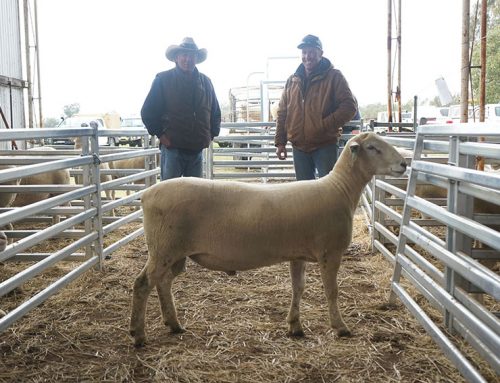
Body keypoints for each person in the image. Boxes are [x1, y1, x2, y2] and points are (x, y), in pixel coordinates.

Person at [274, 34, 357, 180]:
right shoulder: (292, 80)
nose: (308, 56)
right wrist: (280, 142)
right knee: (304, 193)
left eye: (312, 52)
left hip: (324, 145)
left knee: (329, 191)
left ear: (321, 53)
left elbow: (349, 106)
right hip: (299, 147)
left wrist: (324, 125)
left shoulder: (334, 77)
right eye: (304, 52)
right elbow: (282, 112)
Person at [141, 37, 221, 180]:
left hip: (196, 149)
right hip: (173, 147)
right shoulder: (163, 80)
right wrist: (160, 134)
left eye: (192, 55)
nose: (188, 59)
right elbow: (148, 111)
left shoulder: (206, 82)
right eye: (184, 55)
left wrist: (211, 135)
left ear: (196, 58)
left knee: (195, 196)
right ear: (176, 58)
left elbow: (215, 112)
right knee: (170, 196)